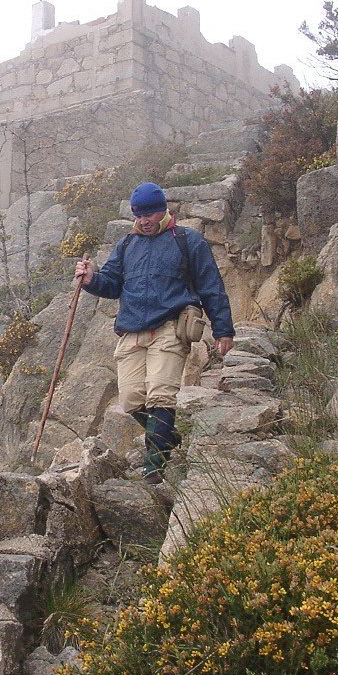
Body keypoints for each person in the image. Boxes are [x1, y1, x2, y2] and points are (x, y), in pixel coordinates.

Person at [75, 182, 235, 483]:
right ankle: (167, 436)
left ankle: (154, 468)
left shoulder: (188, 241)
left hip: (170, 327)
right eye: (138, 215)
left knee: (161, 394)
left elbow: (211, 287)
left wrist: (223, 329)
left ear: (163, 210)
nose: (144, 220)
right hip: (132, 330)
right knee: (131, 399)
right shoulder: (127, 245)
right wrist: (92, 280)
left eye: (149, 214)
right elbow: (111, 284)